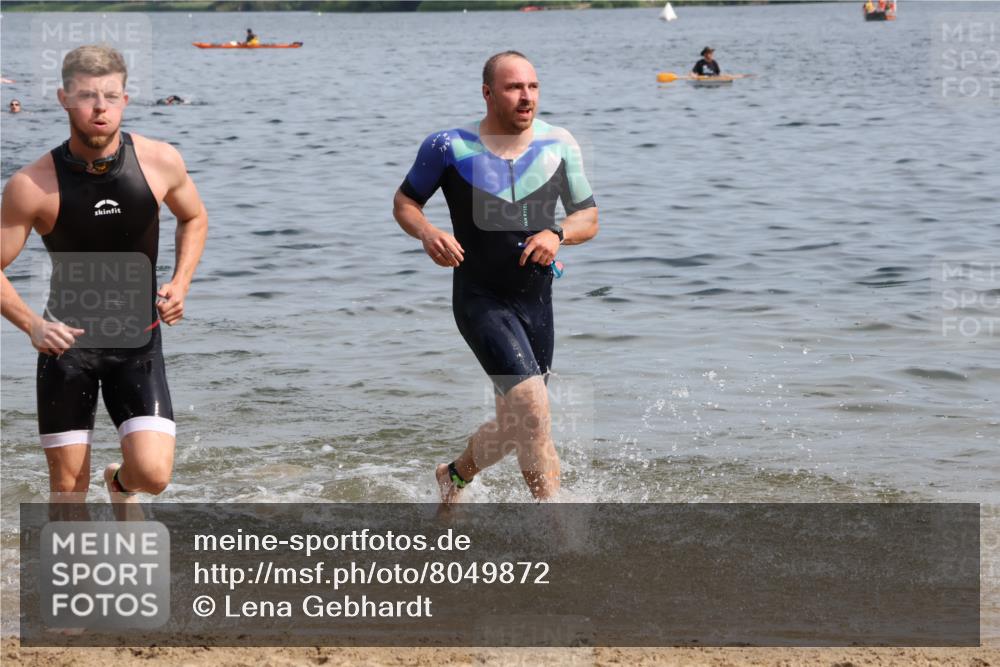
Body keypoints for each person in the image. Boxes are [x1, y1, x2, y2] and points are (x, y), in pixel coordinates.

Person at [0, 45, 208, 507]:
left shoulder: (159, 161)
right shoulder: (32, 185)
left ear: (125, 100)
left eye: (111, 96)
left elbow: (193, 217)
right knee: (68, 493)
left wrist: (181, 282)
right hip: (66, 347)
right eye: (87, 96)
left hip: (138, 341)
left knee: (153, 476)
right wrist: (32, 324)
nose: (100, 107)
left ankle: (119, 484)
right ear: (64, 99)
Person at [393, 50, 598, 503]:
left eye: (533, 86)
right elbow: (405, 203)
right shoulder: (448, 147)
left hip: (535, 302)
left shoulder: (559, 144)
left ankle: (453, 475)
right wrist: (427, 232)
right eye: (514, 87)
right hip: (480, 298)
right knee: (534, 413)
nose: (527, 97)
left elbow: (588, 217)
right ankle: (554, 529)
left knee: (518, 424)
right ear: (488, 93)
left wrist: (558, 234)